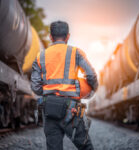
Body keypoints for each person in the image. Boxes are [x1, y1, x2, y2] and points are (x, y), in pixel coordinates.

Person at [31, 21, 98, 150]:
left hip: (49, 109)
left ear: (51, 37)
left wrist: (48, 92)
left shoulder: (40, 56)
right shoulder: (76, 53)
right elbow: (91, 75)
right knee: (86, 147)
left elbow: (35, 87)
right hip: (71, 110)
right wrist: (90, 91)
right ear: (68, 36)